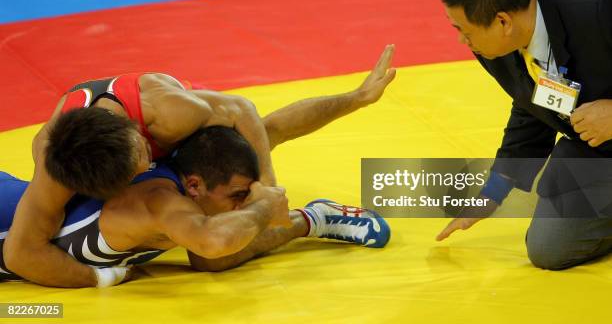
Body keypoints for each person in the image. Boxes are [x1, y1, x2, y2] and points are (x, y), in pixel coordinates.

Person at [3, 45, 396, 286]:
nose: (145, 167)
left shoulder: (169, 114)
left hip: (169, 114)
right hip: (103, 164)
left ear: (138, 136)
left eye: (143, 156)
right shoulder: (55, 163)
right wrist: (102, 278)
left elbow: (245, 111)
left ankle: (306, 207)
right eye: (133, 173)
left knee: (244, 147)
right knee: (211, 255)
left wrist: (268, 189)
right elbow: (22, 252)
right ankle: (312, 219)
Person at [0, 126, 391, 287]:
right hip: (12, 218)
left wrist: (357, 97)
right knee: (219, 243)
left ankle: (313, 218)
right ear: (194, 185)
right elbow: (211, 242)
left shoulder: (192, 174)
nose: (243, 203)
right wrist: (104, 278)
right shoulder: (156, 202)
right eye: (238, 195)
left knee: (220, 251)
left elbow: (271, 127)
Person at [435, 0, 612, 270]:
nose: (462, 40)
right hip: (600, 147)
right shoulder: (496, 43)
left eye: (464, 30)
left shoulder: (599, 5)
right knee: (550, 248)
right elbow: (532, 105)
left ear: (502, 21)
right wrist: (493, 191)